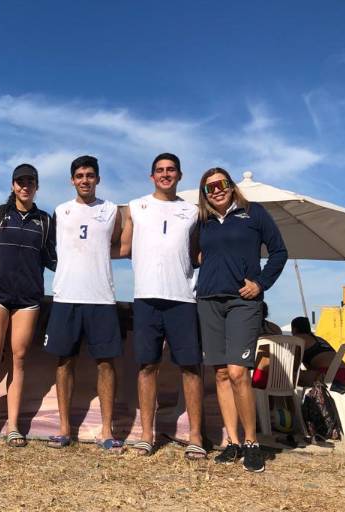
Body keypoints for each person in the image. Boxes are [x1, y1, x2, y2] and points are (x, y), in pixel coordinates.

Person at [196, 167, 288, 473]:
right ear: (204, 194)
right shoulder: (203, 222)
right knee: (220, 374)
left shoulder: (254, 213)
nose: (217, 190)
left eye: (222, 184)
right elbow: (194, 255)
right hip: (208, 301)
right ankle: (232, 443)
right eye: (210, 188)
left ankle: (252, 443)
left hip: (243, 302)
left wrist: (261, 283)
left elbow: (279, 252)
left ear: (232, 186)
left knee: (238, 372)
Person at [119, 153, 205, 459]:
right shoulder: (136, 206)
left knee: (191, 368)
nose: (165, 174)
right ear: (151, 176)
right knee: (147, 366)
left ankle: (195, 436)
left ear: (180, 175)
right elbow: (125, 248)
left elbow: (198, 255)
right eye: (159, 170)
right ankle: (146, 434)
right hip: (146, 297)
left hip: (183, 298)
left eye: (170, 170)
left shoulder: (193, 211)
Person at [43, 155, 123, 452]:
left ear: (98, 179)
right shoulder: (61, 211)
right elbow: (51, 251)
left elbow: (120, 245)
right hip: (67, 296)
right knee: (64, 362)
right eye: (79, 176)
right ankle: (64, 429)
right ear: (72, 180)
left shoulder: (112, 210)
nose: (85, 180)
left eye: (90, 175)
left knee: (106, 363)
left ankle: (106, 430)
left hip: (101, 297)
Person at [0, 163, 57, 447]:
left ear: (36, 186)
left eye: (30, 182)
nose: (25, 186)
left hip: (28, 299)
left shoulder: (44, 221)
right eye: (20, 181)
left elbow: (55, 260)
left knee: (19, 358)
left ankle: (13, 426)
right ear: (12, 185)